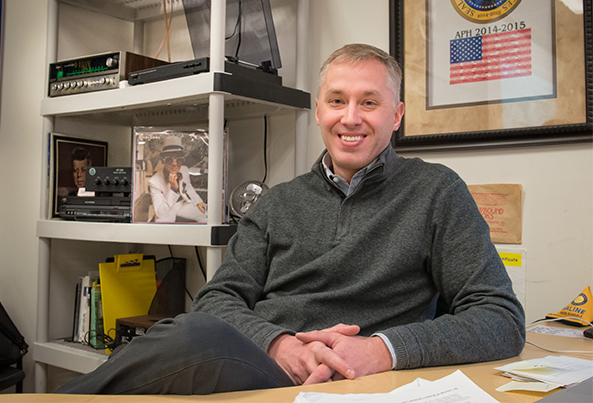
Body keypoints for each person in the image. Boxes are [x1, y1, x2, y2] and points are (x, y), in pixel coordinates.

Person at [57, 43, 525, 394]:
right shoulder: (277, 202)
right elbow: (218, 299)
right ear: (318, 110)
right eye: (337, 100)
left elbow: (500, 318)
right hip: (266, 367)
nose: (351, 117)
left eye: (369, 102)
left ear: (397, 114)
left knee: (189, 338)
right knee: (191, 332)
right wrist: (281, 344)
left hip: (357, 383)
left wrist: (382, 349)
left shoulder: (437, 192)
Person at [148, 136, 208, 223]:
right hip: (166, 208)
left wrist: (198, 201)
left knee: (207, 214)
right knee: (162, 227)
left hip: (182, 204)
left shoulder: (184, 170)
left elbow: (187, 188)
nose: (175, 164)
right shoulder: (154, 182)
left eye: (179, 160)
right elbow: (161, 213)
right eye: (169, 160)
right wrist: (173, 189)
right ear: (162, 160)